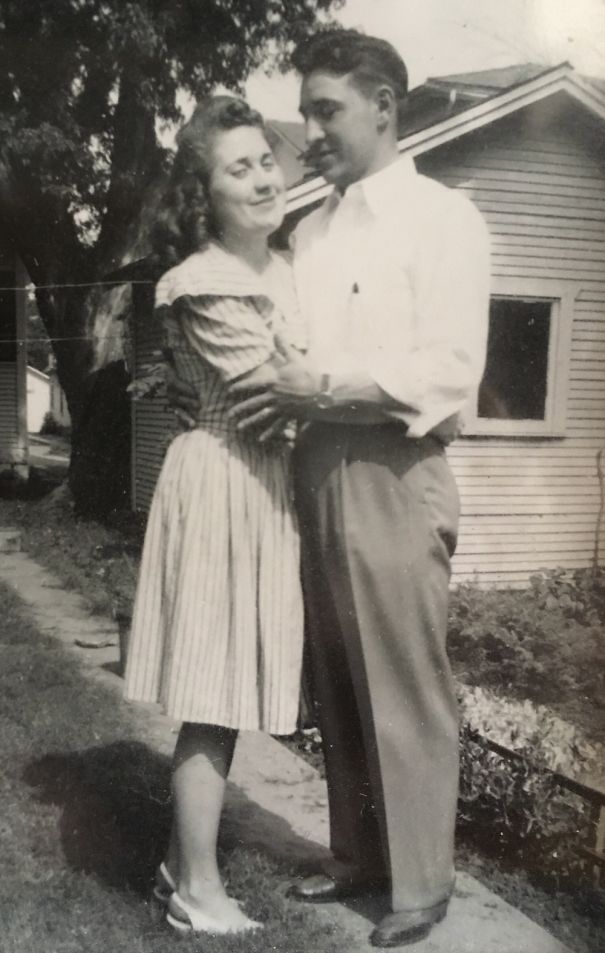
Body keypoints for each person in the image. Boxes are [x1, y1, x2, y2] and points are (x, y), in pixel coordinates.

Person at [226, 29, 491, 948]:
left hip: (393, 465)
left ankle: (421, 882)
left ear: (384, 104)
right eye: (304, 111)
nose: (309, 130)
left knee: (405, 679)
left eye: (325, 109)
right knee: (336, 674)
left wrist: (326, 388)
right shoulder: (309, 228)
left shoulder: (442, 220)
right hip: (316, 462)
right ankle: (358, 860)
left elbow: (451, 370)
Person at [123, 95, 305, 937]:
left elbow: (302, 383)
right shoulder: (204, 282)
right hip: (224, 478)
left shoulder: (283, 269)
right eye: (239, 169)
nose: (264, 176)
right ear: (206, 195)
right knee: (212, 689)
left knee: (225, 689)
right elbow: (276, 401)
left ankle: (174, 864)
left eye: (266, 159)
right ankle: (198, 890)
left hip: (260, 484)